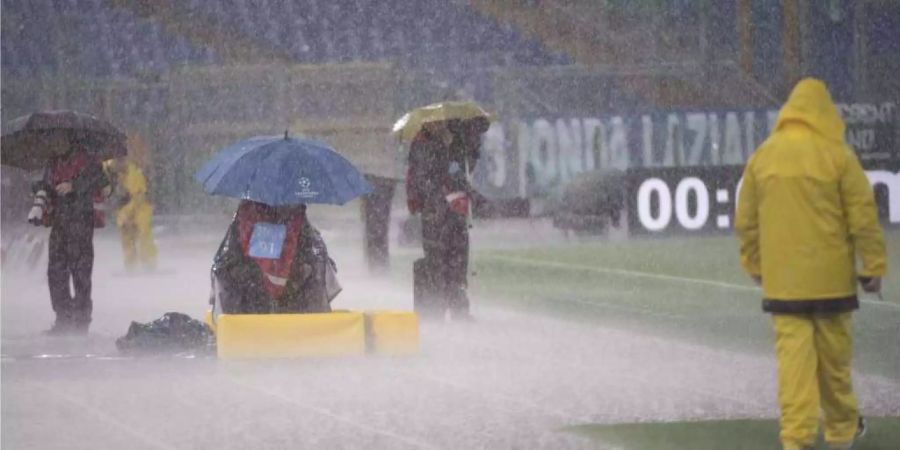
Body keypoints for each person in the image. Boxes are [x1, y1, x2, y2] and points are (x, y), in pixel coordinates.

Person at [735, 78, 885, 450]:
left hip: (785, 288)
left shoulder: (764, 156)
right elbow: (863, 217)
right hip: (833, 286)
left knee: (794, 372)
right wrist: (873, 267)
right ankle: (840, 434)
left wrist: (754, 264)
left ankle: (797, 439)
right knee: (835, 369)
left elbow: (746, 220)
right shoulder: (838, 156)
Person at [28, 132, 110, 335]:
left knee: (81, 273)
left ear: (68, 140)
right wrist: (39, 197)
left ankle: (81, 321)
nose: (55, 144)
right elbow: (46, 185)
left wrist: (74, 186)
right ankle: (63, 317)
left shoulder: (88, 160)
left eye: (58, 140)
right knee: (56, 272)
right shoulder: (53, 162)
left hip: (81, 223)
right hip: (59, 223)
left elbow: (102, 183)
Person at [407, 119, 485, 320]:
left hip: (452, 214)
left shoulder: (450, 144)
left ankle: (457, 308)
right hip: (436, 216)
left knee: (457, 263)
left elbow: (459, 174)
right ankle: (438, 311)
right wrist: (440, 200)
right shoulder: (423, 146)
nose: (441, 126)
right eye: (437, 123)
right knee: (439, 263)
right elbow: (425, 181)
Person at [211, 201, 340, 314]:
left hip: (248, 300)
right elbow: (312, 255)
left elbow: (229, 257)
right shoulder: (296, 214)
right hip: (293, 301)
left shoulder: (246, 212)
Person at [104, 157, 158, 271]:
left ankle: (149, 262)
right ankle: (130, 264)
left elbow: (137, 198)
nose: (115, 164)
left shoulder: (134, 174)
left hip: (142, 207)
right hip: (125, 206)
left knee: (143, 230)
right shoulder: (110, 169)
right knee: (126, 234)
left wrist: (125, 214)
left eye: (119, 161)